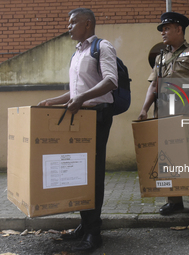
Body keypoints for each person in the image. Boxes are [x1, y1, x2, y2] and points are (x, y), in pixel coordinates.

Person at [38, 8, 118, 251]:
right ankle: (85, 225)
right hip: (80, 117)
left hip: (97, 116)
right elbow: (75, 92)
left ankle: (95, 233)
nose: (68, 27)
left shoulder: (102, 47)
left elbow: (111, 81)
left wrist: (81, 98)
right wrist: (54, 101)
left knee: (93, 175)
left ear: (88, 24)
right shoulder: (76, 54)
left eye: (73, 22)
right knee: (79, 173)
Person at [138, 12, 189, 217]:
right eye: (162, 28)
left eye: (167, 28)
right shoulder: (161, 57)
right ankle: (174, 201)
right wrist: (144, 108)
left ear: (179, 29)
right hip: (165, 113)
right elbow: (154, 85)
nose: (163, 32)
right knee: (168, 157)